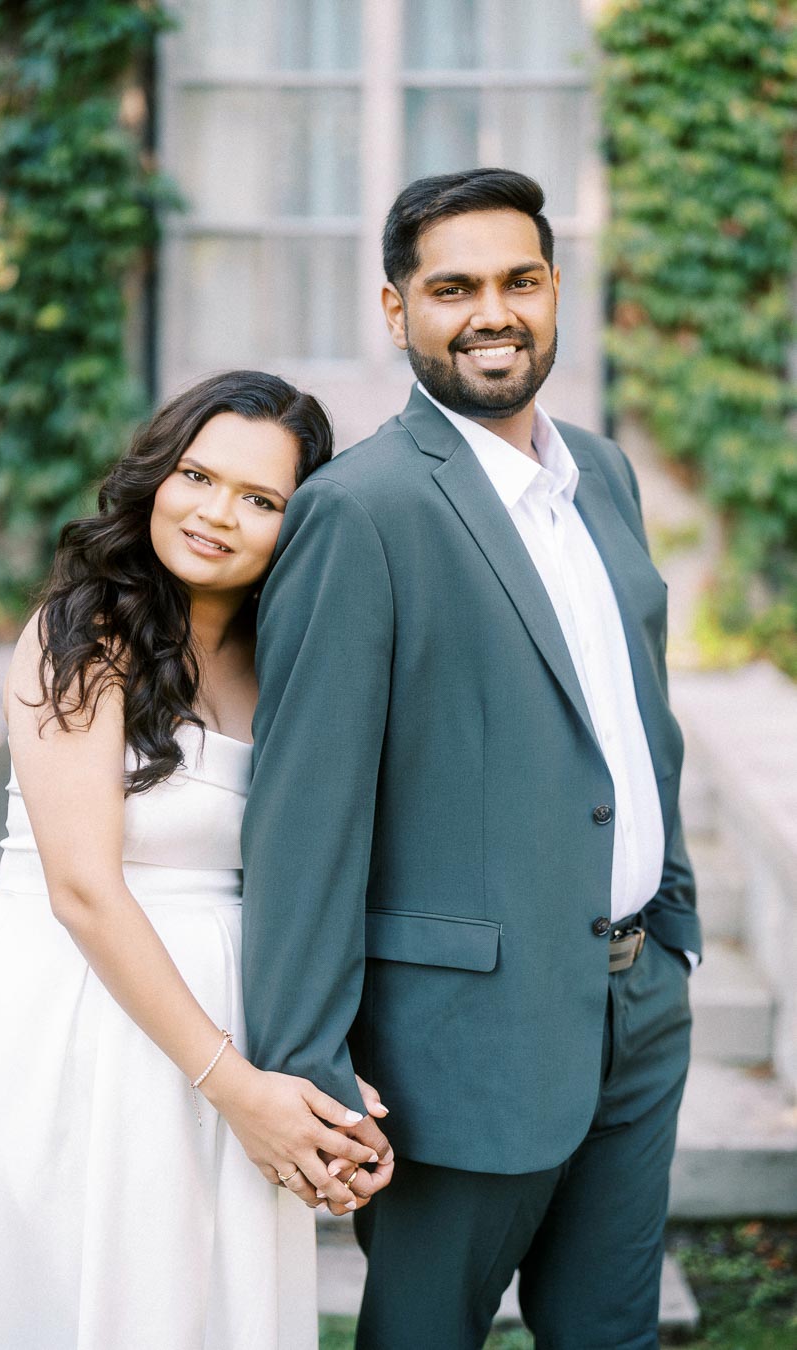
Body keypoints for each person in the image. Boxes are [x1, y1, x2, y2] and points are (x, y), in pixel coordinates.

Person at [241, 170, 701, 1349]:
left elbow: (634, 710)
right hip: (461, 1047)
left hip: (638, 1006)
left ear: (555, 293)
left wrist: (675, 920)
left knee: (611, 1336)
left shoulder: (604, 473)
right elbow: (309, 812)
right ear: (397, 312)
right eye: (453, 288)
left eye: (521, 281)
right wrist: (302, 1067)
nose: (493, 312)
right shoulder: (361, 511)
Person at [0, 370, 393, 1350]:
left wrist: (323, 1058)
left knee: (191, 1308)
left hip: (228, 1028)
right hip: (67, 1020)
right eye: (199, 476)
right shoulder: (81, 636)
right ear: (157, 474)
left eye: (260, 500)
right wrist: (240, 1091)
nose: (217, 514)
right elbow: (83, 890)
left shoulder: (283, 660)